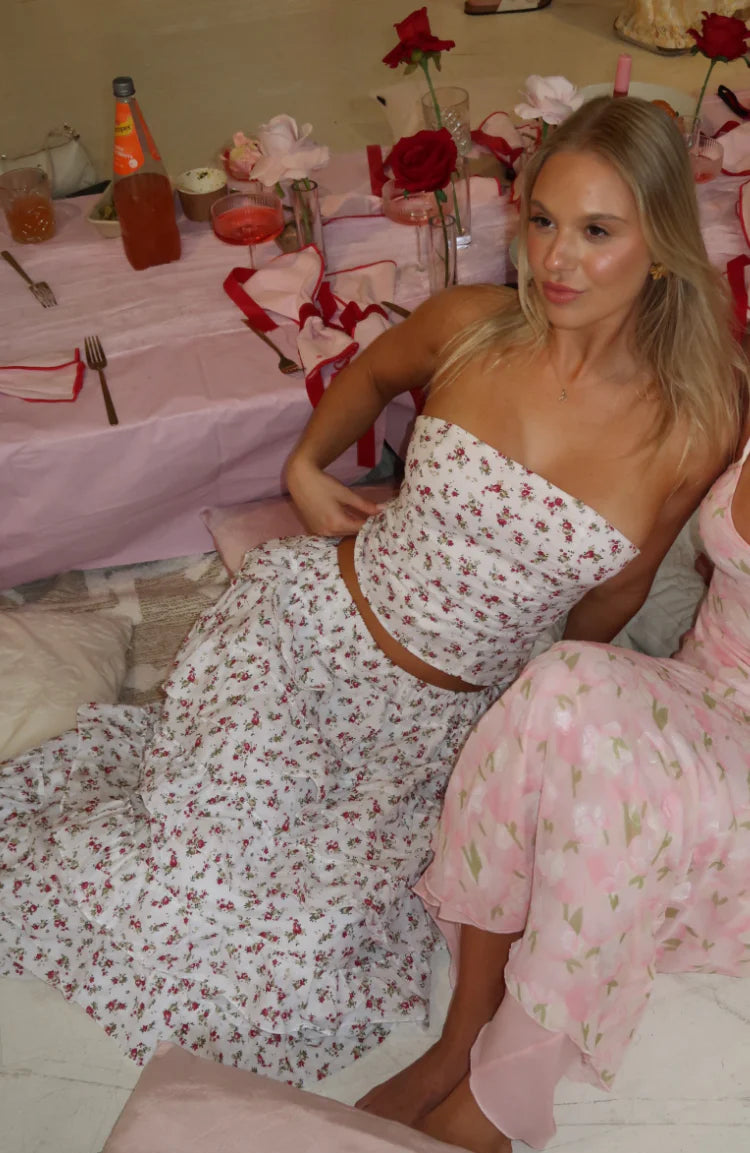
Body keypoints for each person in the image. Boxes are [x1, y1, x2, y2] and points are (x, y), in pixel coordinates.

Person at [0, 96, 745, 1084]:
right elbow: (368, 378)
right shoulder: (471, 325)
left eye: (597, 231)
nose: (556, 259)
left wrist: (542, 717)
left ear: (661, 248)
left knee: (300, 960)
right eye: (542, 220)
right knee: (180, 887)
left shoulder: (696, 422)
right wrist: (305, 469)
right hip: (302, 642)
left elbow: (623, 588)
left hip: (436, 731)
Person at [357, 429, 750, 1153]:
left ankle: (496, 1101)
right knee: (564, 680)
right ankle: (463, 1036)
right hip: (706, 688)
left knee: (622, 791)